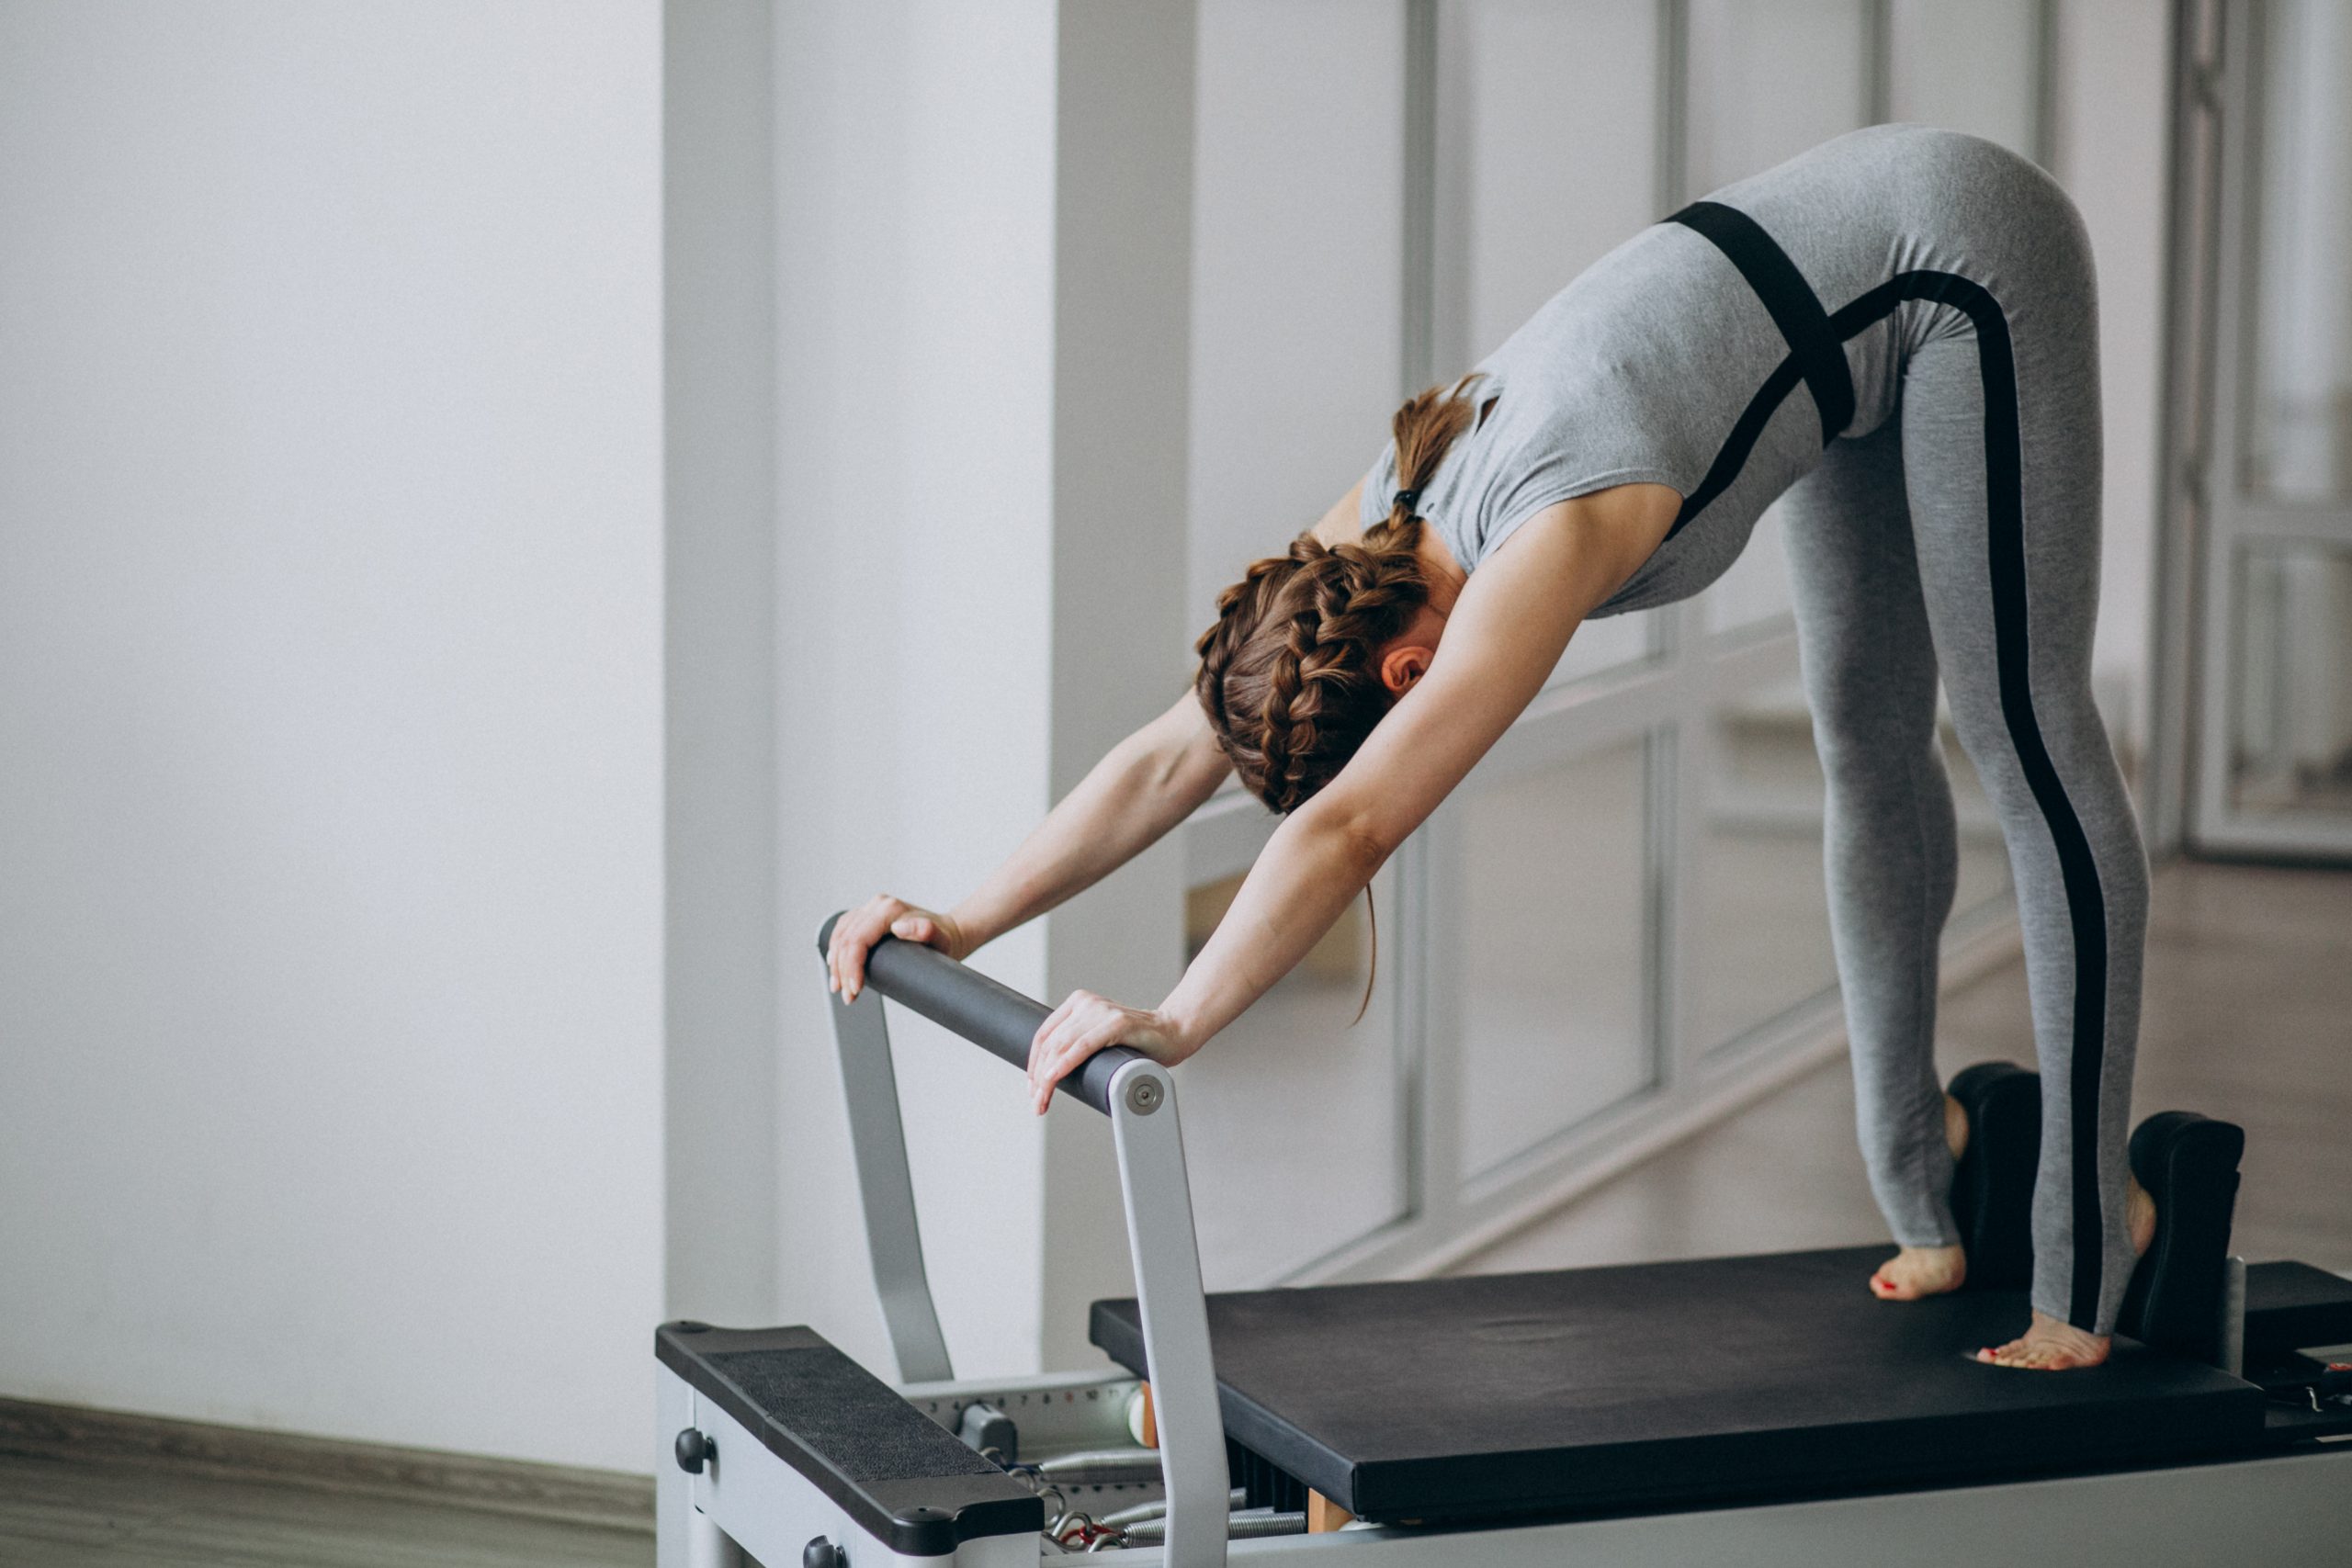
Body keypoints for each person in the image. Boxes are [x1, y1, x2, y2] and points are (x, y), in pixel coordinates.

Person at [825, 125, 2154, 1371]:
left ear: (1407, 672)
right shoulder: (1380, 521)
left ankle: (2088, 1252)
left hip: (1962, 259)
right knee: (1865, 739)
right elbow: (1172, 755)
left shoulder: (1543, 539)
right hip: (1844, 313)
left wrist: (1173, 1021)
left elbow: (1348, 825)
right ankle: (1927, 1192)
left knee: (2027, 739)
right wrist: (964, 918)